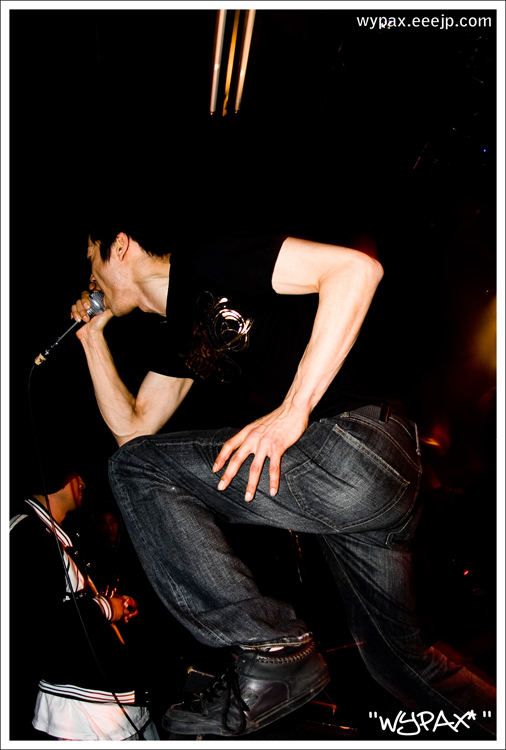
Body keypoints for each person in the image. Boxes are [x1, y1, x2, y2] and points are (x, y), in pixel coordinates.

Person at [70, 218, 496, 738]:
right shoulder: (178, 335)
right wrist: (91, 340)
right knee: (400, 663)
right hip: (364, 491)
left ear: (120, 245)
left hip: (356, 442)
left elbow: (355, 271)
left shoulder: (208, 257)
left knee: (137, 468)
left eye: (90, 261)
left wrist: (294, 409)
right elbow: (133, 433)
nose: (89, 280)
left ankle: (270, 647)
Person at [9, 462, 159, 741]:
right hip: (85, 715)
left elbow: (66, 602)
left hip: (109, 705)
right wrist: (107, 608)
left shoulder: (52, 532)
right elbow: (43, 623)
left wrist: (111, 603)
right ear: (57, 477)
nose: (83, 483)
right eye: (77, 474)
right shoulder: (25, 536)